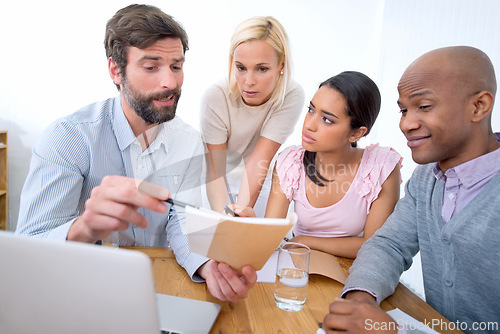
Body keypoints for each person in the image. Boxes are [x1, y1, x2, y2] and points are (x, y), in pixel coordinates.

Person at [15, 4, 256, 303]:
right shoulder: (68, 138)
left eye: (176, 66)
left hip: (156, 286)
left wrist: (208, 265)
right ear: (116, 70)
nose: (170, 82)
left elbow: (180, 220)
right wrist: (84, 228)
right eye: (151, 66)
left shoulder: (189, 141)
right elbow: (29, 247)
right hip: (77, 289)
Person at [322, 46, 500, 334]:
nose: (406, 123)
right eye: (404, 110)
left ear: (478, 106)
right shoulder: (425, 179)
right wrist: (361, 300)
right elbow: (388, 245)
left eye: (424, 107)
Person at [236, 72, 402, 259]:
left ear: (356, 134)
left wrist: (305, 241)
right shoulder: (291, 162)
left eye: (327, 119)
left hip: (353, 269)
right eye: (311, 110)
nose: (309, 125)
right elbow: (270, 235)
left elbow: (373, 245)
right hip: (299, 261)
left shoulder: (380, 167)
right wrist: (253, 227)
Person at [200, 16, 304, 216]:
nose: (248, 81)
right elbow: (215, 168)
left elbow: (259, 160)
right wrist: (226, 218)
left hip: (259, 183)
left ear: (282, 65)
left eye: (262, 69)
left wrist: (240, 211)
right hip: (217, 182)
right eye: (241, 68)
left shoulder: (291, 95)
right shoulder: (216, 96)